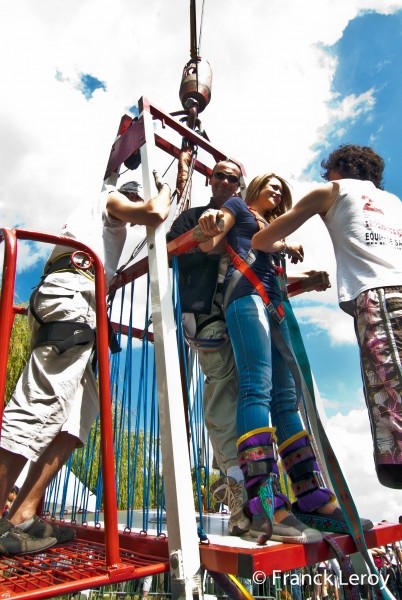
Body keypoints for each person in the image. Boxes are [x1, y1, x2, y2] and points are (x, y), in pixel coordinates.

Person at [0, 173, 171, 555]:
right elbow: (154, 213)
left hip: (80, 304)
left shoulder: (99, 226)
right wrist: (166, 189)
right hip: (72, 297)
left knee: (79, 415)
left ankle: (22, 515)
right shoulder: (110, 200)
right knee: (40, 402)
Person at [198, 172, 372, 544]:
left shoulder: (275, 232)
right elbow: (221, 236)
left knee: (287, 400)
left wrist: (303, 278)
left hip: (274, 304)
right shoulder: (237, 208)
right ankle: (264, 502)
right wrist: (212, 222)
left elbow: (270, 270)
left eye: (281, 187)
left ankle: (311, 497)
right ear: (256, 189)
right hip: (245, 299)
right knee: (256, 386)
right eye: (270, 184)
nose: (276, 190)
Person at [251, 144, 402, 490]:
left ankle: (397, 472)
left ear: (338, 169)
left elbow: (261, 239)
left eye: (328, 170)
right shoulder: (393, 202)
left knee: (390, 391)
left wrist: (282, 243)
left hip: (380, 293)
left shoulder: (331, 190)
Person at [166, 159, 251, 536]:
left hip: (244, 311)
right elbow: (169, 249)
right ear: (210, 179)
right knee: (222, 388)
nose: (227, 181)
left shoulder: (242, 219)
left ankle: (236, 478)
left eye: (234, 178)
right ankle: (236, 491)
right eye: (220, 174)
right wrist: (207, 236)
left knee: (252, 394)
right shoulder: (193, 217)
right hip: (206, 313)